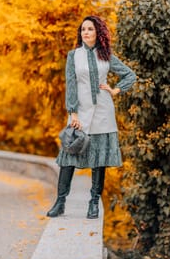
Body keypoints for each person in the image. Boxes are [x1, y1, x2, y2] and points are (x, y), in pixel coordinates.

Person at [47, 15, 136, 219]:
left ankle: (94, 203)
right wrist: (73, 112)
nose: (85, 32)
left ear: (98, 32)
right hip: (80, 113)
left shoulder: (106, 55)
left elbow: (130, 75)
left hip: (103, 113)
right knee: (68, 158)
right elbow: (71, 85)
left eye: (90, 29)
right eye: (83, 29)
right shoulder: (74, 56)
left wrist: (116, 90)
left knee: (99, 160)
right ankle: (60, 202)